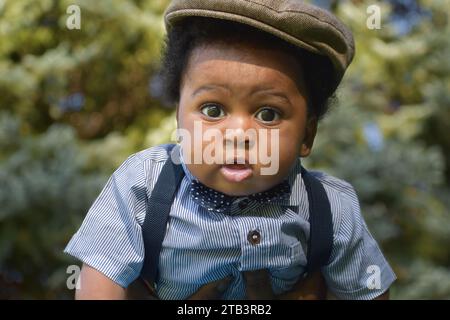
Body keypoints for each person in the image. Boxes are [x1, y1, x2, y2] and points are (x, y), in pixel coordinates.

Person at [65, 0, 396, 300]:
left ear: (307, 135)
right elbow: (99, 280)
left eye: (268, 114)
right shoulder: (143, 184)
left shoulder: (330, 207)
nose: (238, 134)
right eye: (212, 110)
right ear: (179, 119)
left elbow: (370, 292)